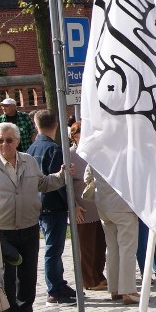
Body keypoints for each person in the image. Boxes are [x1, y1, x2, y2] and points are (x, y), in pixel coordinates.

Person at [0, 122, 66, 312]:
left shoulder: (29, 161)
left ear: (17, 141)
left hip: (29, 224)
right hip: (3, 229)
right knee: (7, 274)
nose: (4, 144)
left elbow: (43, 184)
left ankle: (26, 309)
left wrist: (62, 175)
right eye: (0, 141)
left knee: (28, 271)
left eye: (9, 140)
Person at [27, 110, 79, 305]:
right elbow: (60, 182)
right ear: (56, 125)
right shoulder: (55, 150)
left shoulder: (31, 149)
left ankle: (58, 282)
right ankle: (54, 290)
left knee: (53, 248)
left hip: (39, 204)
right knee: (54, 249)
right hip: (54, 206)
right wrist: (71, 204)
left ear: (36, 125)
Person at [84, 165, 139, 304]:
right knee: (127, 249)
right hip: (123, 205)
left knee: (112, 248)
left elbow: (87, 177)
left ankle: (114, 289)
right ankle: (128, 290)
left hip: (103, 203)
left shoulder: (97, 146)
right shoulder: (123, 148)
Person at [69, 122, 106, 291]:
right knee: (86, 246)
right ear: (73, 136)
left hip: (99, 205)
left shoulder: (95, 152)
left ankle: (98, 274)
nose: (82, 137)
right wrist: (74, 206)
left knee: (100, 244)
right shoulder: (70, 155)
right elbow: (66, 184)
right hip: (82, 208)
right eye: (78, 134)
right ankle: (88, 280)